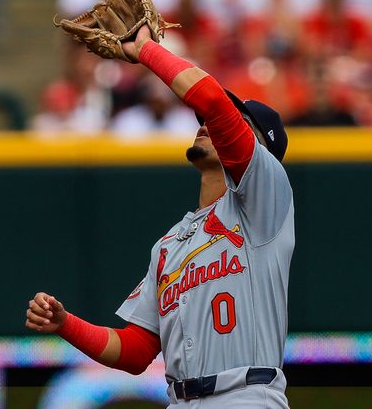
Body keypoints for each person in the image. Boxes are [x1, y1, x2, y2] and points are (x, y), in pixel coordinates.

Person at [26, 24, 294, 407]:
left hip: (245, 395)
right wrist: (65, 323)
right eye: (209, 121)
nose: (208, 123)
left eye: (238, 122)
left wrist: (146, 50)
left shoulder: (264, 200)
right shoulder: (171, 244)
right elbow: (136, 350)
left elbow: (214, 103)